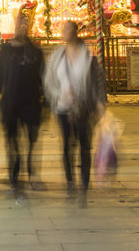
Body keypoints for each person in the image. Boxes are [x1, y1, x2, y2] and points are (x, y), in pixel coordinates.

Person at [43, 20, 105, 205]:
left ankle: (84, 182)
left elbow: (98, 81)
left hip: (83, 107)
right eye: (64, 29)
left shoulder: (88, 57)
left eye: (69, 29)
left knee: (84, 144)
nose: (66, 32)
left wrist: (100, 103)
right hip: (63, 107)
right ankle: (70, 181)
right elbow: (49, 79)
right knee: (66, 144)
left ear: (76, 32)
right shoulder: (57, 56)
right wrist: (57, 94)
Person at [0, 10, 45, 197]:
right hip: (11, 102)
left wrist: (45, 98)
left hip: (30, 101)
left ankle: (31, 175)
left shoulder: (35, 52)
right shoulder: (6, 50)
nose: (23, 25)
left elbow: (42, 77)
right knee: (12, 142)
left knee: (32, 142)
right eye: (20, 22)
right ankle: (14, 179)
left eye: (26, 23)